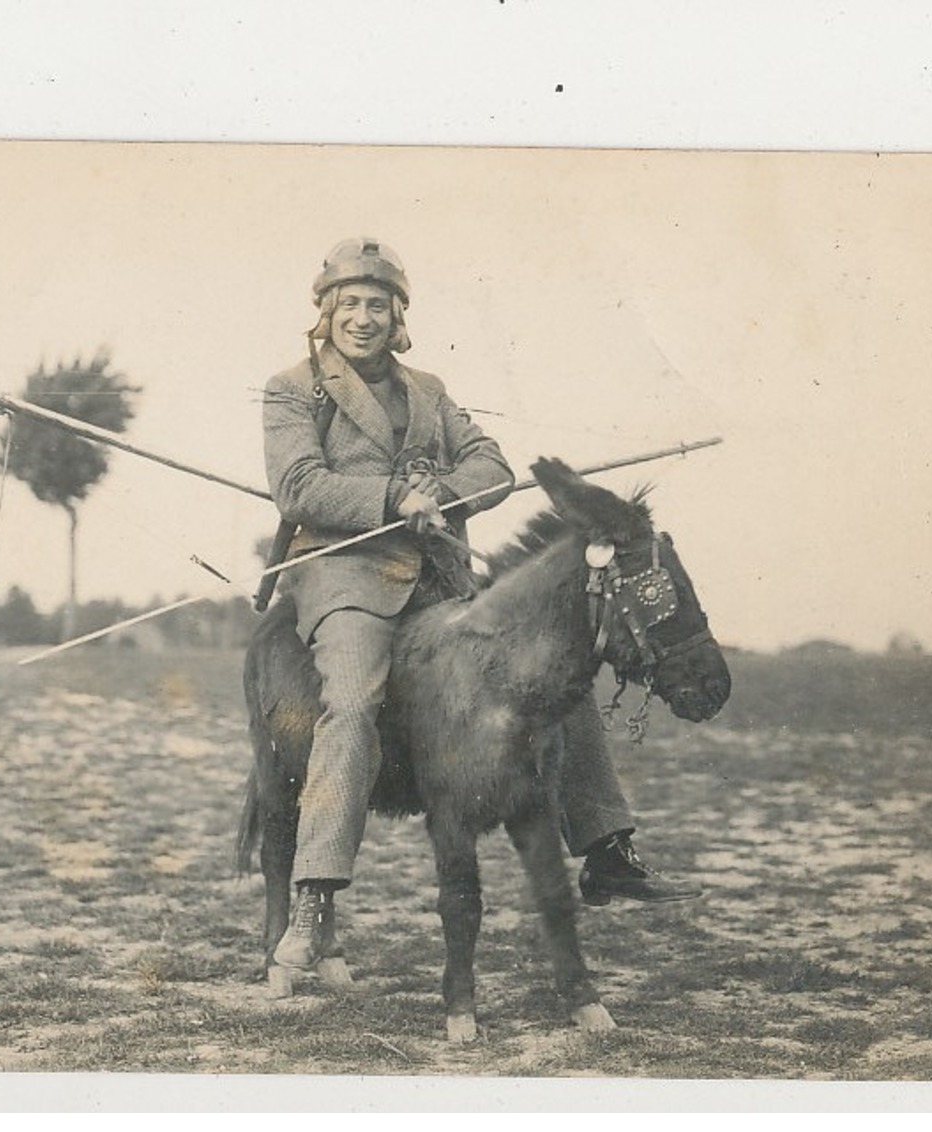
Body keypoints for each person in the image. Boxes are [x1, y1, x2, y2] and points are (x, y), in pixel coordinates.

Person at [261, 237, 699, 972]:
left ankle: (606, 846)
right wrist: (394, 497)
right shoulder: (291, 389)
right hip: (344, 575)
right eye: (348, 305)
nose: (362, 318)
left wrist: (443, 495)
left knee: (553, 666)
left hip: (440, 574)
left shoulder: (429, 389)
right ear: (325, 313)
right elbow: (298, 487)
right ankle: (316, 895)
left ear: (398, 313)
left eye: (377, 304)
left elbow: (491, 463)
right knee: (351, 698)